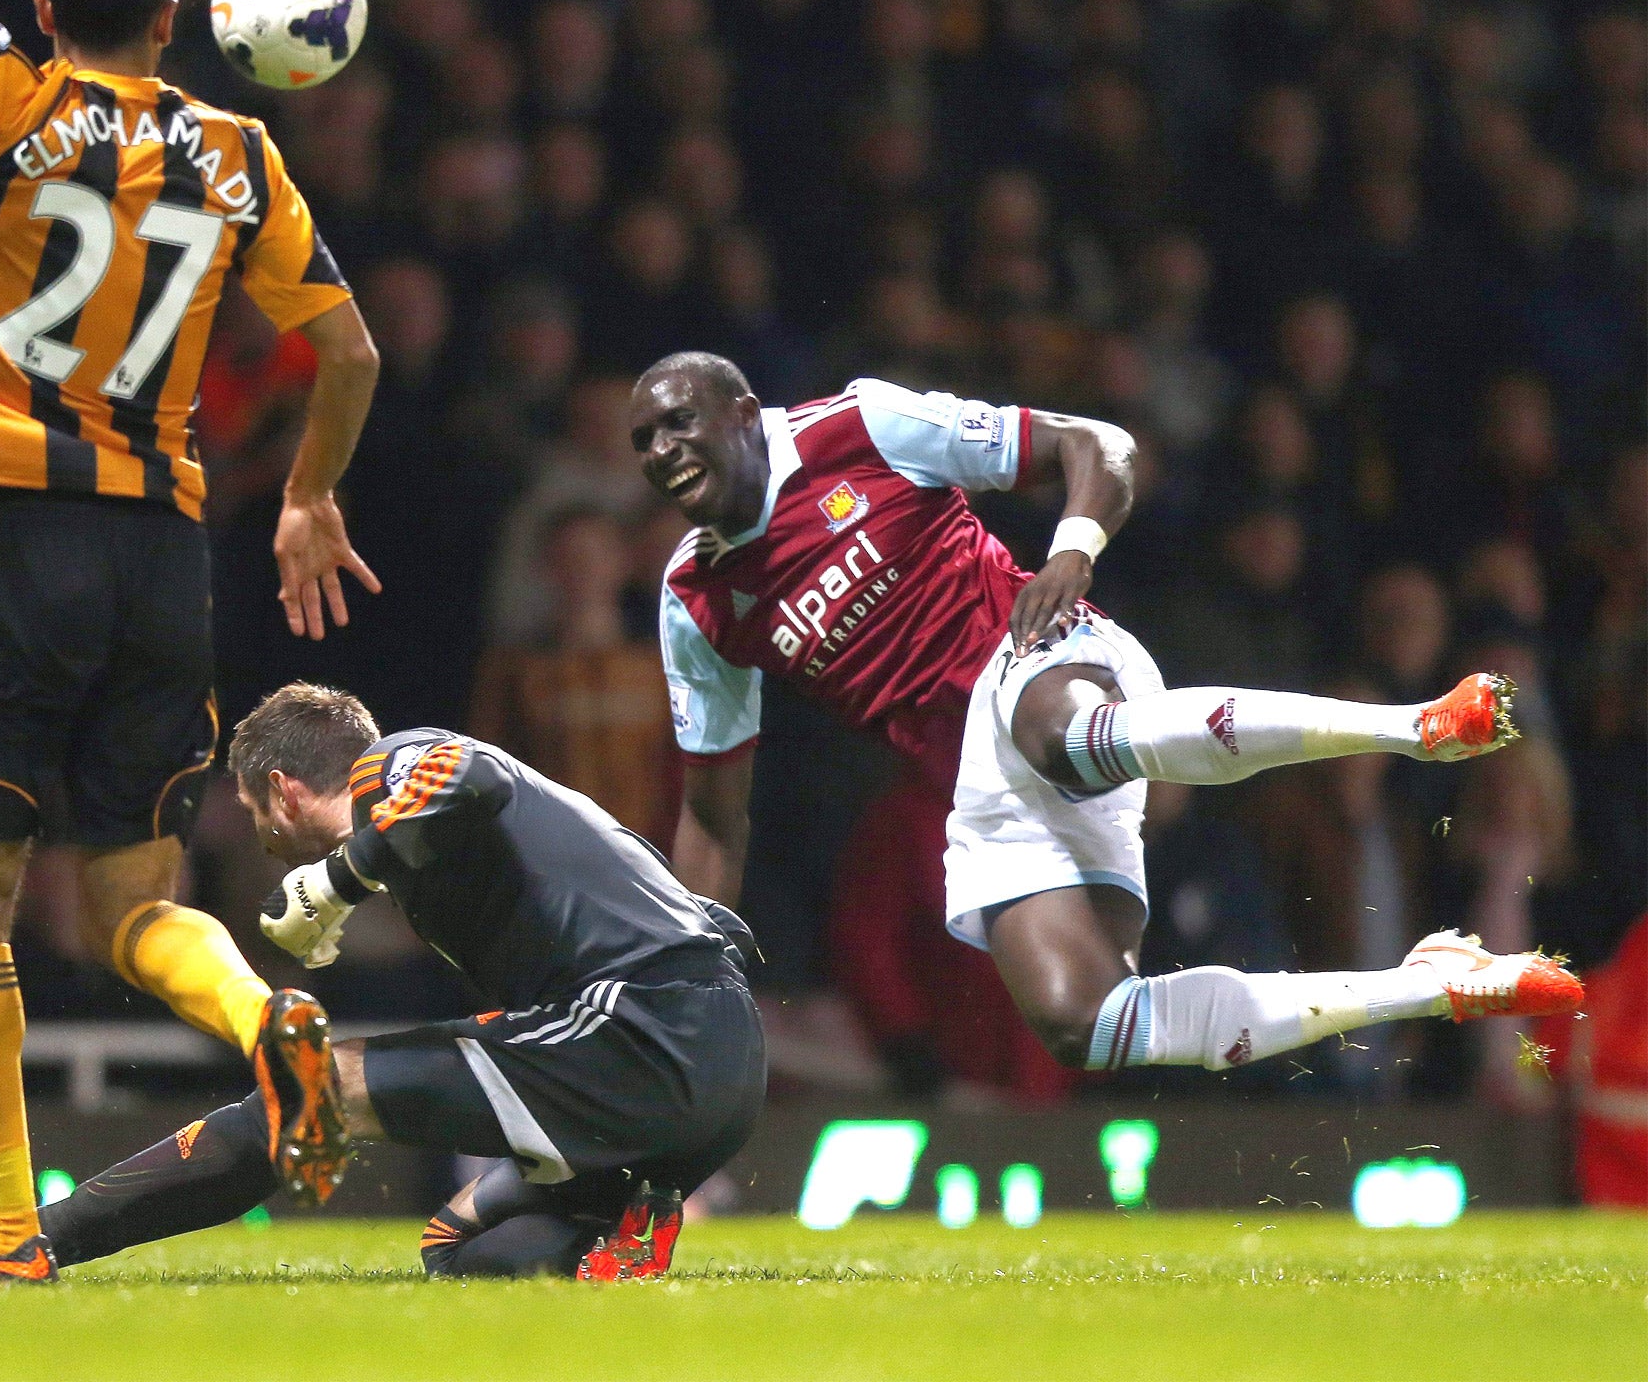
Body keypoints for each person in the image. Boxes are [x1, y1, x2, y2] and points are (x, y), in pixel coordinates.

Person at [0, 0, 382, 1286]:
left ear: (39, 5)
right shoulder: (242, 153)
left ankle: (13, 1239)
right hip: (163, 551)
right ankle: (265, 1018)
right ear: (170, 24)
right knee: (136, 904)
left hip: (15, 530)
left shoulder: (2, 95)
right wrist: (308, 495)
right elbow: (350, 350)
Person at [631, 351, 1584, 1084]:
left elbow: (1100, 446)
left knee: (1065, 737)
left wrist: (1073, 547)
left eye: (677, 424)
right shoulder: (697, 598)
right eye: (643, 445)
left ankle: (1415, 724)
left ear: (743, 414)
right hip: (983, 791)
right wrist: (688, 958)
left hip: (1041, 654)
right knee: (1083, 1024)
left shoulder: (859, 426)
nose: (661, 452)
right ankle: (1434, 982)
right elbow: (715, 814)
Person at [0, 683, 763, 1282]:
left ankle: (25, 1244)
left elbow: (464, 775)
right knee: (460, 1250)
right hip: (695, 1062)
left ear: (282, 792)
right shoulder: (419, 845)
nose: (256, 836)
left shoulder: (399, 759)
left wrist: (331, 883)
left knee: (305, 1090)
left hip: (647, 1024)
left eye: (252, 813)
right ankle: (622, 1232)